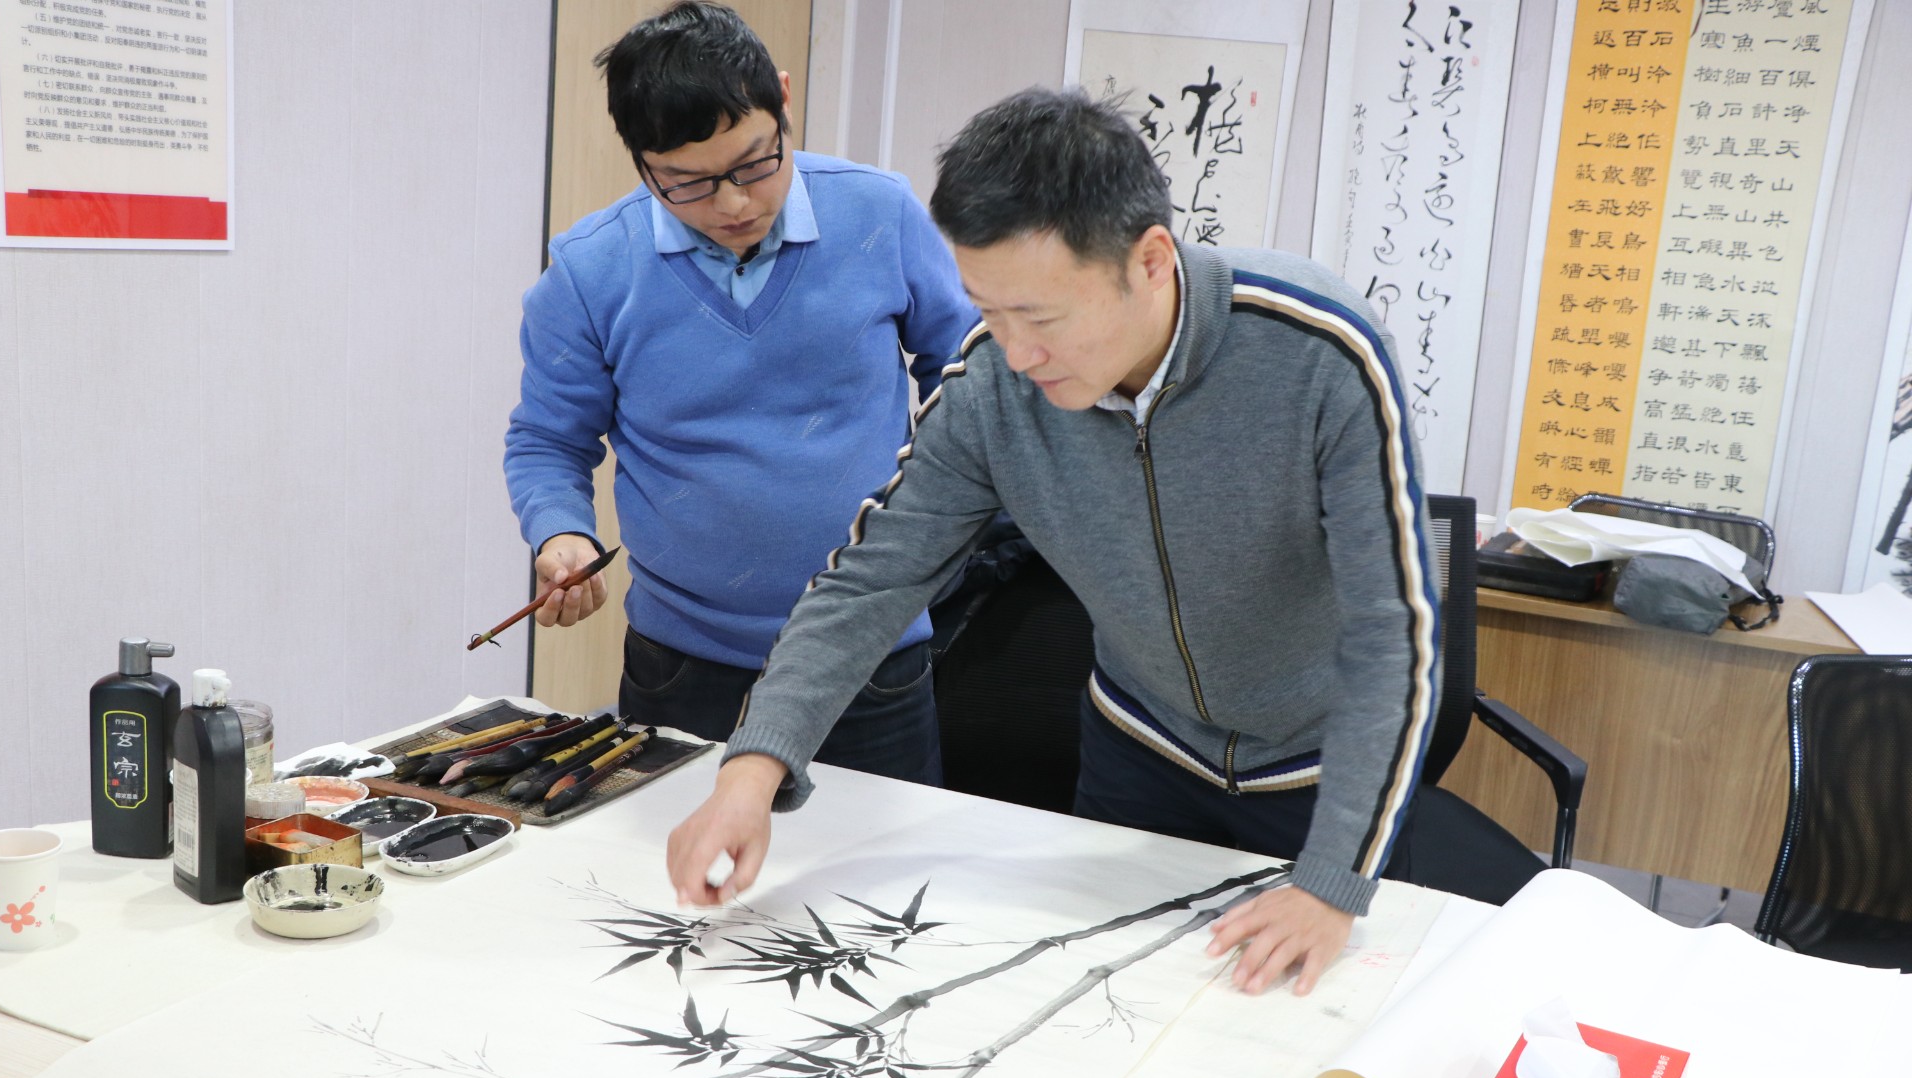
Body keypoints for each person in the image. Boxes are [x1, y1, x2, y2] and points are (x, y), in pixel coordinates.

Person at [666, 87, 1440, 998]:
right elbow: (871, 582)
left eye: (1041, 318)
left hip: (1319, 775)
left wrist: (1333, 882)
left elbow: (1391, 633)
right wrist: (752, 772)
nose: (1015, 352)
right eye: (989, 312)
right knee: (1104, 1005)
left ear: (1150, 260)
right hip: (1140, 755)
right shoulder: (994, 389)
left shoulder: (1318, 354)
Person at [503, 2, 977, 784]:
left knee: (874, 862)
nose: (733, 204)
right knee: (681, 863)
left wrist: (940, 512)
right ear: (641, 161)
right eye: (687, 183)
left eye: (755, 165)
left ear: (783, 101)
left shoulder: (881, 214)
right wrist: (562, 534)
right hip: (686, 666)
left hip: (872, 653)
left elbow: (968, 373)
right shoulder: (591, 271)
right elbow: (548, 440)